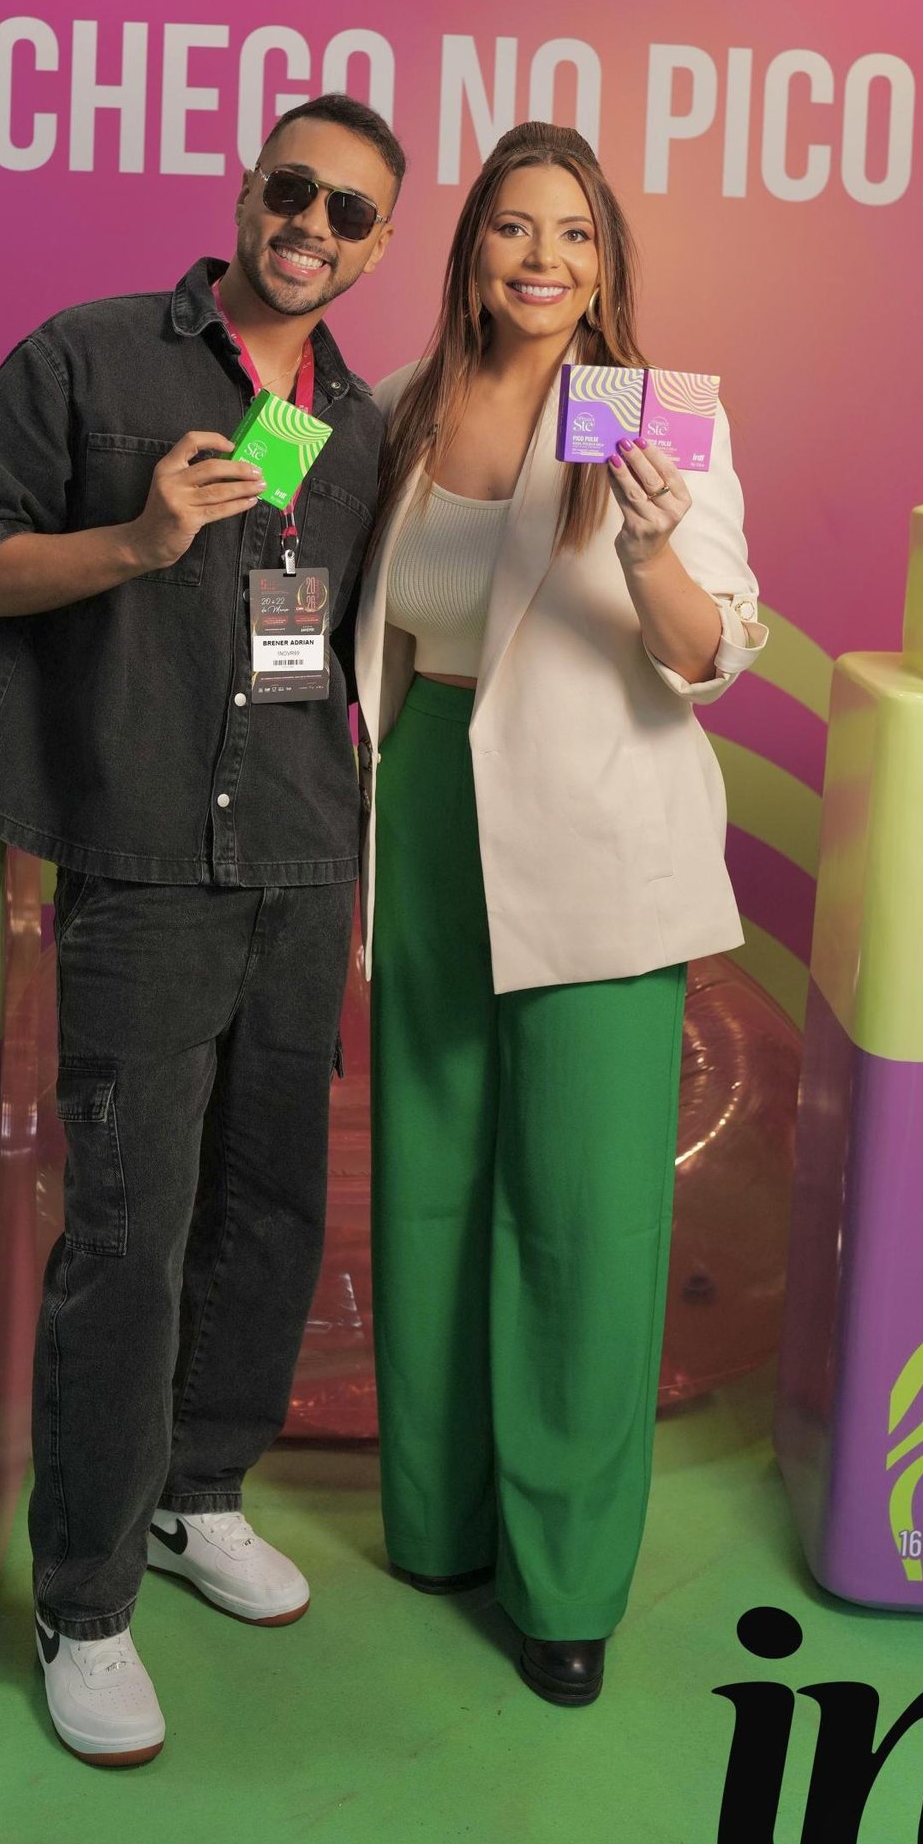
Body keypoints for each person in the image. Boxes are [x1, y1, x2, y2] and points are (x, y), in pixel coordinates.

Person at [0, 94, 402, 1766]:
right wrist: (138, 539)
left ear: (376, 249)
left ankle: (201, 1497)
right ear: (247, 191)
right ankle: (85, 1597)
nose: (313, 226)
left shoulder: (358, 422)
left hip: (300, 862)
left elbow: (348, 647)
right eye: (295, 190)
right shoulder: (92, 354)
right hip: (139, 862)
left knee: (270, 1212)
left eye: (350, 211)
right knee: (129, 1233)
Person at [355, 121, 766, 1708]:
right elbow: (342, 613)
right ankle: (441, 1521)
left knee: (584, 1217)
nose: (544, 259)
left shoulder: (658, 414)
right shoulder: (394, 404)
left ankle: (567, 1582)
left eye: (575, 235)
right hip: (428, 807)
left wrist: (652, 547)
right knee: (433, 1183)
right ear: (470, 250)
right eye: (515, 229)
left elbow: (709, 650)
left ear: (607, 267)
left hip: (596, 833)